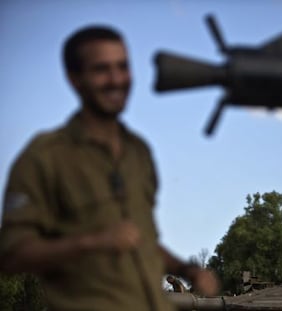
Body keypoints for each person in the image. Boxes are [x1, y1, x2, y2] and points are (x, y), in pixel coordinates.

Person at [0, 25, 218, 311]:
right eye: (102, 69)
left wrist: (187, 270)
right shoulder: (45, 156)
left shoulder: (139, 152)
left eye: (123, 67)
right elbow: (12, 254)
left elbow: (140, 239)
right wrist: (91, 243)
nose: (117, 79)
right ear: (75, 79)